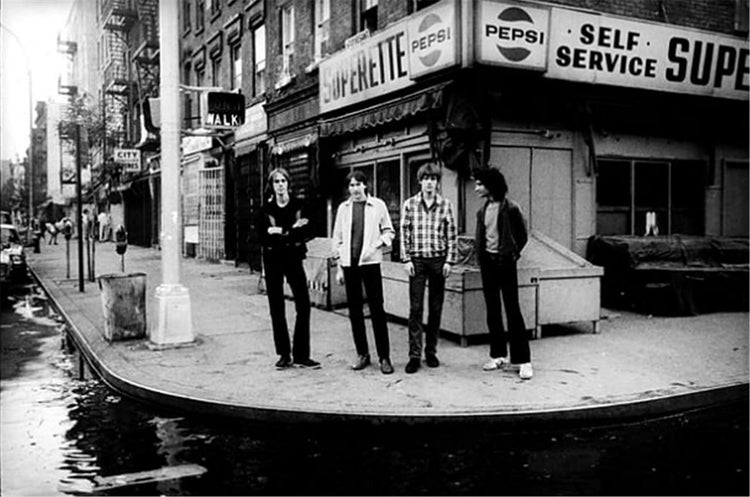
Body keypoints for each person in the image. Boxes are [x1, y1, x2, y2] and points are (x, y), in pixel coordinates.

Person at [332, 170, 396, 375]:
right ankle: (363, 354)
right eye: (351, 186)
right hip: (349, 265)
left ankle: (384, 357)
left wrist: (376, 245)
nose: (355, 189)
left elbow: (389, 231)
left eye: (358, 184)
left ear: (365, 186)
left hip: (370, 264)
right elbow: (337, 238)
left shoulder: (378, 206)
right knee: (355, 312)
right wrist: (339, 267)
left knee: (377, 310)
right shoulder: (343, 208)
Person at [473, 167, 533, 380]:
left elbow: (522, 236)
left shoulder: (512, 208)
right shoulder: (482, 211)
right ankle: (498, 354)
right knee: (492, 309)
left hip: (506, 263)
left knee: (512, 309)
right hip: (488, 264)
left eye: (479, 184)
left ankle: (524, 360)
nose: (476, 188)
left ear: (491, 185)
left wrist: (513, 254)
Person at [259, 168, 320, 370]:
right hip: (273, 259)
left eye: (283, 180)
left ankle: (302, 354)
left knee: (303, 304)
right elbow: (260, 236)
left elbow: (308, 230)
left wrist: (279, 232)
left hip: (293, 258)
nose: (280, 184)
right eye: (276, 181)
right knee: (276, 307)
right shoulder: (266, 209)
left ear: (288, 183)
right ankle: (284, 354)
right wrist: (290, 230)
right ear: (272, 185)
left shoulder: (299, 205)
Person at [400, 162, 457, 374]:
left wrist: (449, 261)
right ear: (420, 181)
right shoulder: (409, 204)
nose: (429, 183)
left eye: (433, 179)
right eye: (426, 179)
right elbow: (404, 233)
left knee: (435, 308)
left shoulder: (445, 205)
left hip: (438, 261)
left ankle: (430, 352)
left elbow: (451, 235)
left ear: (437, 182)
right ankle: (414, 355)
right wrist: (406, 260)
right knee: (416, 309)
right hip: (417, 261)